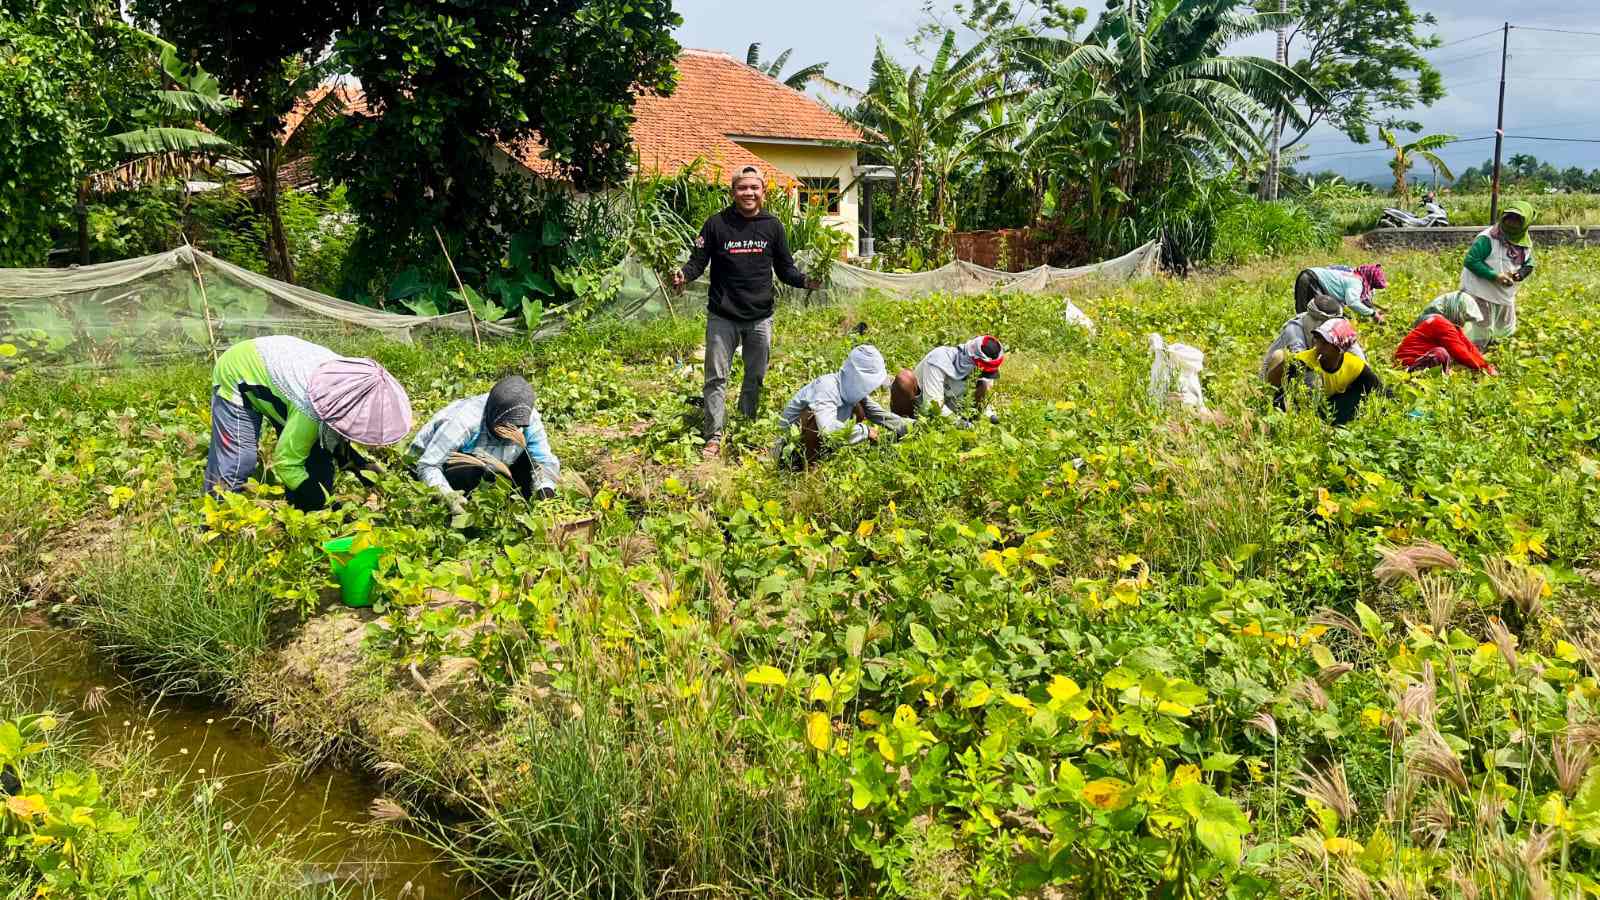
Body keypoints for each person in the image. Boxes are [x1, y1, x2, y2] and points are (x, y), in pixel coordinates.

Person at [672, 164, 822, 460]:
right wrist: (683, 276)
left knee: (755, 377)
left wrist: (806, 281)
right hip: (723, 315)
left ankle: (745, 427)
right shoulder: (716, 224)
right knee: (716, 378)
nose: (748, 193)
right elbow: (697, 262)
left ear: (763, 192)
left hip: (759, 316)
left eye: (754, 187)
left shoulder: (773, 226)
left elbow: (785, 269)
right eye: (742, 187)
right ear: (733, 192)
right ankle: (714, 435)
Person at [205, 335, 412, 511]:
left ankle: (296, 522)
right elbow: (286, 464)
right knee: (238, 463)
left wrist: (361, 467)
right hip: (239, 371)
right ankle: (217, 522)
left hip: (283, 374)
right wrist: (321, 501)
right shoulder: (310, 410)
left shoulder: (350, 384)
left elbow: (333, 437)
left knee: (318, 463)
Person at [409, 375, 561, 515]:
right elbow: (428, 466)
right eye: (504, 425)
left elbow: (543, 461)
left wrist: (545, 491)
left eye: (517, 426)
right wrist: (450, 497)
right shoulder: (463, 422)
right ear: (492, 414)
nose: (511, 431)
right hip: (454, 465)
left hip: (496, 463)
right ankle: (467, 512)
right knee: (466, 471)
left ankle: (515, 511)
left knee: (529, 462)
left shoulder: (528, 418)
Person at [773, 344, 909, 468]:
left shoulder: (852, 391)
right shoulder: (827, 388)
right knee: (813, 417)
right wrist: (864, 431)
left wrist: (909, 427)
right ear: (858, 378)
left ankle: (823, 459)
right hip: (787, 452)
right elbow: (827, 429)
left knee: (860, 408)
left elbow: (878, 414)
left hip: (819, 445)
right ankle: (809, 469)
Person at [1267, 318, 1386, 426]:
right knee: (1310, 378)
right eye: (1318, 340)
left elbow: (1380, 390)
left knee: (1360, 393)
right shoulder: (1302, 361)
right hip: (1304, 410)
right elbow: (1273, 389)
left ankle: (1334, 425)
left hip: (1330, 407)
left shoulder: (1354, 365)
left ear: (1339, 349)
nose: (1318, 347)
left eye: (1325, 344)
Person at [1459, 200, 1535, 346]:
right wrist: (1495, 276)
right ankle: (1475, 353)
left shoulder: (1523, 241)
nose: (1512, 223)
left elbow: (1529, 262)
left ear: (1526, 223)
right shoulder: (1488, 238)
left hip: (1504, 292)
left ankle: (1499, 350)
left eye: (1517, 220)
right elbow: (1471, 261)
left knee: (1503, 327)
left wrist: (1521, 273)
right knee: (1480, 326)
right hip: (1480, 291)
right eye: (1509, 218)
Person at [890, 336, 1005, 424]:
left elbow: (983, 403)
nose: (981, 374)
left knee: (983, 385)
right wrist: (961, 424)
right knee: (904, 379)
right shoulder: (940, 359)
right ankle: (903, 426)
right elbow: (932, 406)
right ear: (971, 361)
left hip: (955, 410)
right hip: (921, 407)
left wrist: (991, 417)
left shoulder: (983, 372)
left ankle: (971, 426)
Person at [1261, 294, 1367, 387]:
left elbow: (1360, 359)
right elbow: (1300, 365)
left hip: (1320, 372)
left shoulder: (1338, 327)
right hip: (1280, 376)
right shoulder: (1294, 329)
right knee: (1279, 355)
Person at [1395, 291, 1497, 375]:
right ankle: (1412, 372)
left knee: (1443, 355)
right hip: (1408, 362)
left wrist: (1485, 365)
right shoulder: (1440, 323)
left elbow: (1468, 346)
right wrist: (1481, 368)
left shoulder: (1451, 326)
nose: (1463, 322)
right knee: (1441, 354)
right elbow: (1459, 352)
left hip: (1421, 359)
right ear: (1455, 310)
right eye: (1464, 316)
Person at [1293, 264, 1389, 323]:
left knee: (1308, 314)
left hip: (1310, 276)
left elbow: (1356, 300)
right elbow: (1353, 303)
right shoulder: (1356, 282)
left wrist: (1373, 309)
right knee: (1317, 315)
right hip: (1312, 280)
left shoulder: (1353, 275)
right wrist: (1373, 314)